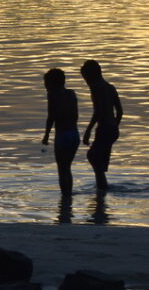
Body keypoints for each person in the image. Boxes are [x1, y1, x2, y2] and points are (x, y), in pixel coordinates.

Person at [80, 59, 123, 192]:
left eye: (86, 78)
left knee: (93, 157)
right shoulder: (110, 87)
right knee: (97, 161)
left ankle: (102, 191)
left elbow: (98, 111)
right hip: (112, 129)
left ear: (91, 75)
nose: (86, 82)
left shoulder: (96, 87)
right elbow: (120, 111)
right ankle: (102, 189)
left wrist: (88, 131)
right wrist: (114, 126)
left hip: (104, 129)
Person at [41, 68, 79, 197]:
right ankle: (68, 198)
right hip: (74, 135)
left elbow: (51, 116)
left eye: (46, 83)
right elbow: (75, 115)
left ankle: (65, 200)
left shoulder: (52, 95)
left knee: (62, 170)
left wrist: (46, 135)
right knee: (67, 169)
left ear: (51, 83)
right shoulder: (71, 93)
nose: (45, 86)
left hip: (63, 136)